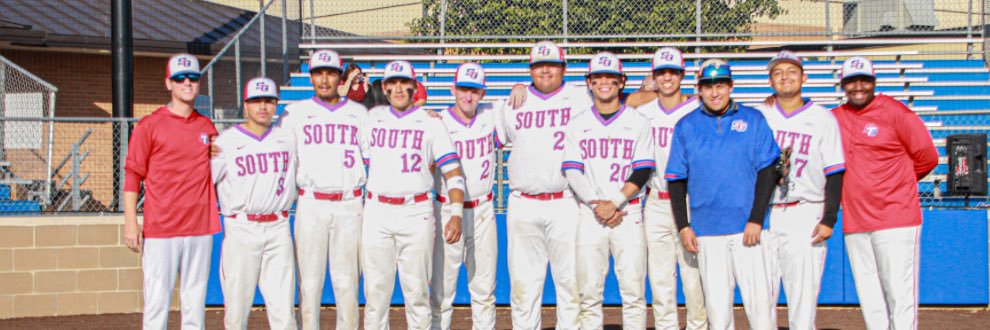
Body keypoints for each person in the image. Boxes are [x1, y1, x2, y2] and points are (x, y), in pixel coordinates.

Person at [665, 59, 780, 330]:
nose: (714, 92)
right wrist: (683, 226)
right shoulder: (686, 125)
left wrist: (755, 218)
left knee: (760, 306)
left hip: (748, 229)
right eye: (708, 86)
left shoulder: (752, 119)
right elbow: (676, 180)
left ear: (731, 86)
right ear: (699, 90)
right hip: (706, 230)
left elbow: (767, 172)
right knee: (717, 311)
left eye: (720, 85)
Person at [831, 56, 938, 330]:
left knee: (899, 296)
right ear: (842, 84)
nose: (858, 87)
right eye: (851, 81)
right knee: (870, 298)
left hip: (896, 218)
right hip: (856, 221)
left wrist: (898, 184)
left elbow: (927, 157)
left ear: (873, 82)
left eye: (864, 80)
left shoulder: (895, 112)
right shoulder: (835, 118)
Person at [361, 60, 466, 330]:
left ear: (413, 86)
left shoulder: (431, 123)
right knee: (375, 296)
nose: (398, 88)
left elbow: (453, 172)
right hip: (377, 211)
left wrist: (455, 214)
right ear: (384, 88)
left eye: (403, 83)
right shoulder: (370, 119)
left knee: (417, 295)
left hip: (415, 211)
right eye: (392, 83)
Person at [494, 41, 591, 330]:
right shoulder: (511, 104)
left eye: (552, 65)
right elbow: (475, 125)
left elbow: (618, 101)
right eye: (538, 65)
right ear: (530, 69)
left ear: (564, 68)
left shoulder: (581, 98)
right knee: (524, 287)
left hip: (566, 200)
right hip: (523, 202)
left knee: (571, 284)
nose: (545, 70)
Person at [123, 53, 221, 330]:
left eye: (192, 78)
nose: (186, 82)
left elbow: (220, 169)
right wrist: (131, 222)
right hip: (161, 229)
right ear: (169, 83)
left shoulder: (207, 127)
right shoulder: (149, 125)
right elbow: (133, 174)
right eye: (180, 78)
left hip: (200, 227)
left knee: (194, 306)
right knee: (157, 305)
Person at [562, 52, 654, 329]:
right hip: (590, 214)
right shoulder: (578, 123)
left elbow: (642, 170)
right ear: (589, 82)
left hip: (628, 211)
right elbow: (572, 170)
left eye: (611, 78)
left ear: (622, 82)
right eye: (598, 78)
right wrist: (596, 204)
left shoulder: (639, 121)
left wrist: (613, 203)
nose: (604, 83)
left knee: (634, 293)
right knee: (588, 294)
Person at [755, 51, 846, 330]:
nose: (785, 76)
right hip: (763, 213)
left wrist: (829, 218)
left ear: (804, 77)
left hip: (804, 210)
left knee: (803, 298)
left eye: (792, 71)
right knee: (760, 297)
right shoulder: (759, 115)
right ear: (770, 80)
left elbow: (835, 170)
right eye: (778, 71)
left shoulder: (822, 118)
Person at [279, 49, 367, 330]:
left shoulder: (358, 113)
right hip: (311, 203)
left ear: (341, 77)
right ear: (311, 77)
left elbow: (372, 157)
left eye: (331, 73)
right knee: (310, 285)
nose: (325, 79)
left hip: (349, 203)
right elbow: (281, 160)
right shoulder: (295, 113)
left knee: (348, 286)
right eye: (319, 73)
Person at [629, 47, 708, 330]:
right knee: (660, 278)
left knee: (693, 276)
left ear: (682, 75)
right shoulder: (642, 112)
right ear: (654, 76)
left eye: (673, 72)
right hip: (655, 201)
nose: (667, 77)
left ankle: (699, 326)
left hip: (690, 200)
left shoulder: (697, 108)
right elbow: (617, 99)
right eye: (661, 72)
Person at [212, 77, 297, 330]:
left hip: (279, 226)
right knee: (237, 309)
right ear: (245, 105)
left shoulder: (288, 139)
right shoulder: (225, 142)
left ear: (276, 105)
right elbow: (202, 181)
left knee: (283, 309)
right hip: (241, 227)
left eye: (269, 101)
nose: (263, 106)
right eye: (256, 101)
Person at [429, 62, 499, 330]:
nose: (468, 96)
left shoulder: (490, 115)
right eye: (463, 89)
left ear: (482, 94)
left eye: (474, 90)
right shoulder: (438, 122)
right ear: (452, 89)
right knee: (442, 292)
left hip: (483, 209)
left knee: (484, 290)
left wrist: (518, 86)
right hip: (447, 209)